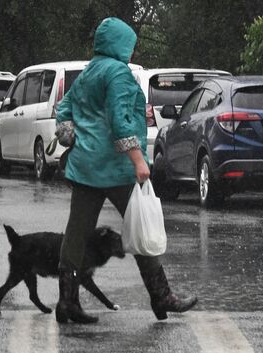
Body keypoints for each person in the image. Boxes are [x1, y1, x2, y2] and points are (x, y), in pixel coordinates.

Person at [55, 17, 198, 324]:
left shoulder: (89, 71)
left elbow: (64, 109)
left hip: (85, 166)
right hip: (116, 168)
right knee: (140, 229)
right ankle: (162, 297)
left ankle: (66, 301)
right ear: (119, 45)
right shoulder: (118, 73)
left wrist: (69, 133)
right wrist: (137, 159)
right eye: (130, 45)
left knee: (76, 234)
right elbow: (120, 122)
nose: (132, 53)